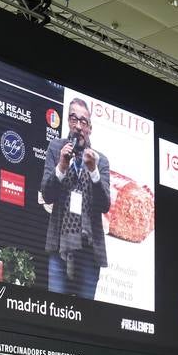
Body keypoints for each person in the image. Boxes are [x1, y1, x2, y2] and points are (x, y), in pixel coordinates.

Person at [40, 97, 112, 298]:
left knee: (87, 315)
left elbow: (105, 205)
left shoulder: (101, 161)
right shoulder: (56, 149)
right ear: (68, 122)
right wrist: (62, 165)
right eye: (74, 119)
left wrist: (93, 171)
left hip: (89, 250)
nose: (78, 126)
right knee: (56, 312)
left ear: (89, 128)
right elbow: (47, 194)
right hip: (59, 244)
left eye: (83, 122)